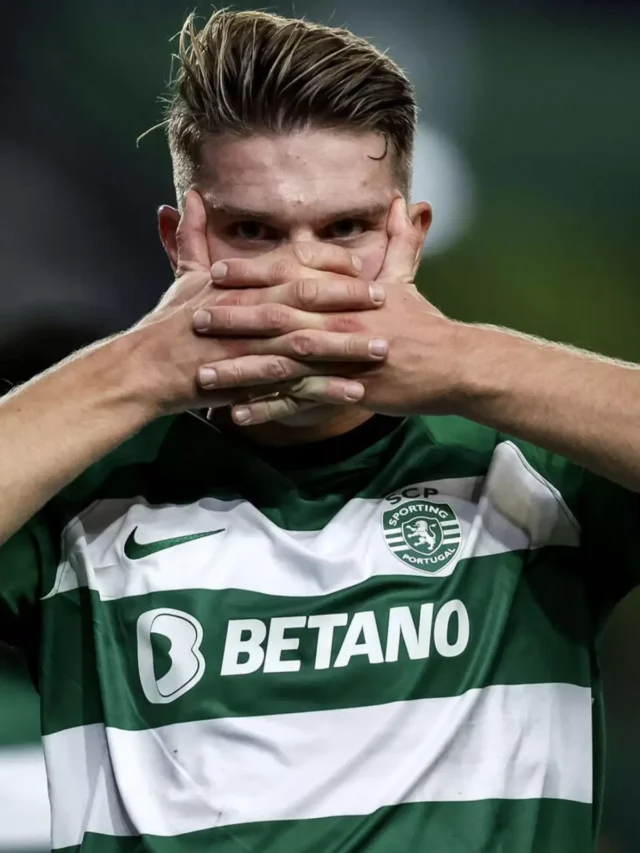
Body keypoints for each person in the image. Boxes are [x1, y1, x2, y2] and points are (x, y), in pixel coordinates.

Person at [0, 9, 638, 852]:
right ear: (182, 243)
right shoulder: (78, 487)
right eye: (253, 232)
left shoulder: (535, 463)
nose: (302, 273)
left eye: (345, 230)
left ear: (409, 238)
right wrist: (139, 367)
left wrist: (462, 360)